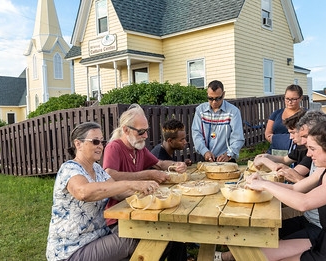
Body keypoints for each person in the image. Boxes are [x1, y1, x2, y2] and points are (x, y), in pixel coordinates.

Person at [246, 113, 326, 260]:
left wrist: (264, 184)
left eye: (312, 149)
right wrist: (265, 184)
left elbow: (304, 203)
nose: (308, 154)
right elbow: (296, 189)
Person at [46, 122, 159, 261]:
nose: (100, 145)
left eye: (102, 141)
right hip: (70, 249)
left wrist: (146, 191)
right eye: (95, 141)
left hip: (97, 237)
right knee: (136, 240)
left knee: (150, 234)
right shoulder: (69, 169)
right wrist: (131, 184)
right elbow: (84, 192)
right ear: (78, 144)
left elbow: (117, 193)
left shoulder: (97, 169)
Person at [103, 104, 188, 261]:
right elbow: (109, 174)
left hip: (142, 208)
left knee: (177, 236)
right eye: (141, 132)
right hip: (120, 216)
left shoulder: (139, 148)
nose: (146, 135)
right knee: (164, 239)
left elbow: (160, 164)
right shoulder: (114, 147)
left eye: (146, 130)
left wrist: (176, 166)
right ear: (126, 130)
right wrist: (147, 174)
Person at [191, 80, 244, 162]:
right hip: (205, 157)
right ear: (207, 95)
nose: (214, 102)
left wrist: (229, 154)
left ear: (223, 95)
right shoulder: (200, 110)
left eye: (218, 98)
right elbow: (196, 134)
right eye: (210, 98)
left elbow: (238, 137)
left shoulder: (233, 112)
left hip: (226, 158)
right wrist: (205, 152)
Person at [254, 110, 311, 183]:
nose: (290, 137)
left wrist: (264, 161)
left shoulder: (310, 151)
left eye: (293, 133)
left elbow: (291, 174)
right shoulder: (301, 147)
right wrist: (266, 156)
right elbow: (285, 159)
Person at [265, 84, 304, 154]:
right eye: (287, 98)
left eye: (293, 99)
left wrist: (276, 138)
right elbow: (268, 134)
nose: (289, 102)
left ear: (301, 98)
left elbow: (304, 136)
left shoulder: (306, 115)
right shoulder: (276, 113)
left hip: (296, 153)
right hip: (275, 152)